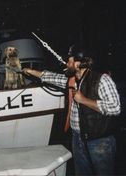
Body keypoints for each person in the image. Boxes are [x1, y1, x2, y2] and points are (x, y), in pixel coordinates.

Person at [23, 45, 121, 175]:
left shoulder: (102, 79)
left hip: (99, 141)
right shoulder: (71, 79)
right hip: (77, 138)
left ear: (78, 63)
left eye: (69, 61)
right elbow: (49, 76)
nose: (66, 64)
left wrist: (83, 100)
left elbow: (115, 108)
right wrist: (28, 71)